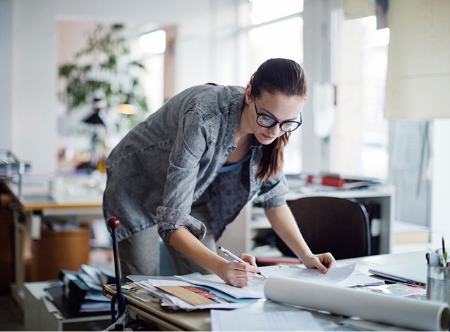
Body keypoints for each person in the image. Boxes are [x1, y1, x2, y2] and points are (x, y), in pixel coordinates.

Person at [103, 58, 336, 287]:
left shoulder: (277, 125)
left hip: (194, 191)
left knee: (210, 282)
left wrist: (307, 256)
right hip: (137, 187)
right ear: (248, 94)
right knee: (143, 288)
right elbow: (172, 224)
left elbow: (274, 200)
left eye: (287, 123)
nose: (275, 131)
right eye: (266, 117)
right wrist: (223, 268)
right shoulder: (204, 118)